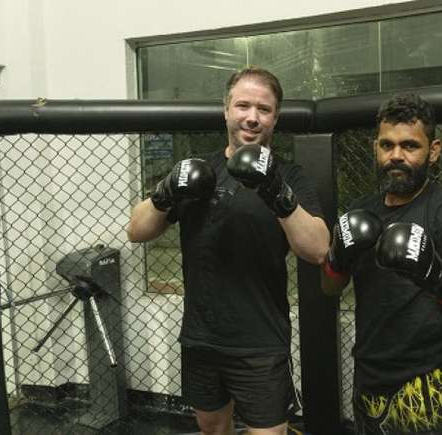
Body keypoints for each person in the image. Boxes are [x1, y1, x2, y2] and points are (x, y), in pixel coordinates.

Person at [128, 67, 329, 435]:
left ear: (275, 117)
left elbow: (317, 249)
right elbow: (137, 230)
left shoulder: (290, 175)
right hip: (201, 335)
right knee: (212, 429)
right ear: (226, 110)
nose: (252, 117)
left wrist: (275, 190)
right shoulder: (199, 170)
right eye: (243, 106)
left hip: (260, 340)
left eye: (264, 110)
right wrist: (167, 189)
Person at [321, 93, 442, 435]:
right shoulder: (361, 210)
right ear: (376, 148)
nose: (396, 156)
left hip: (425, 385)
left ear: (433, 151)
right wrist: (336, 257)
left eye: (409, 146)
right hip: (368, 377)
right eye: (387, 145)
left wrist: (436, 274)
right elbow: (328, 288)